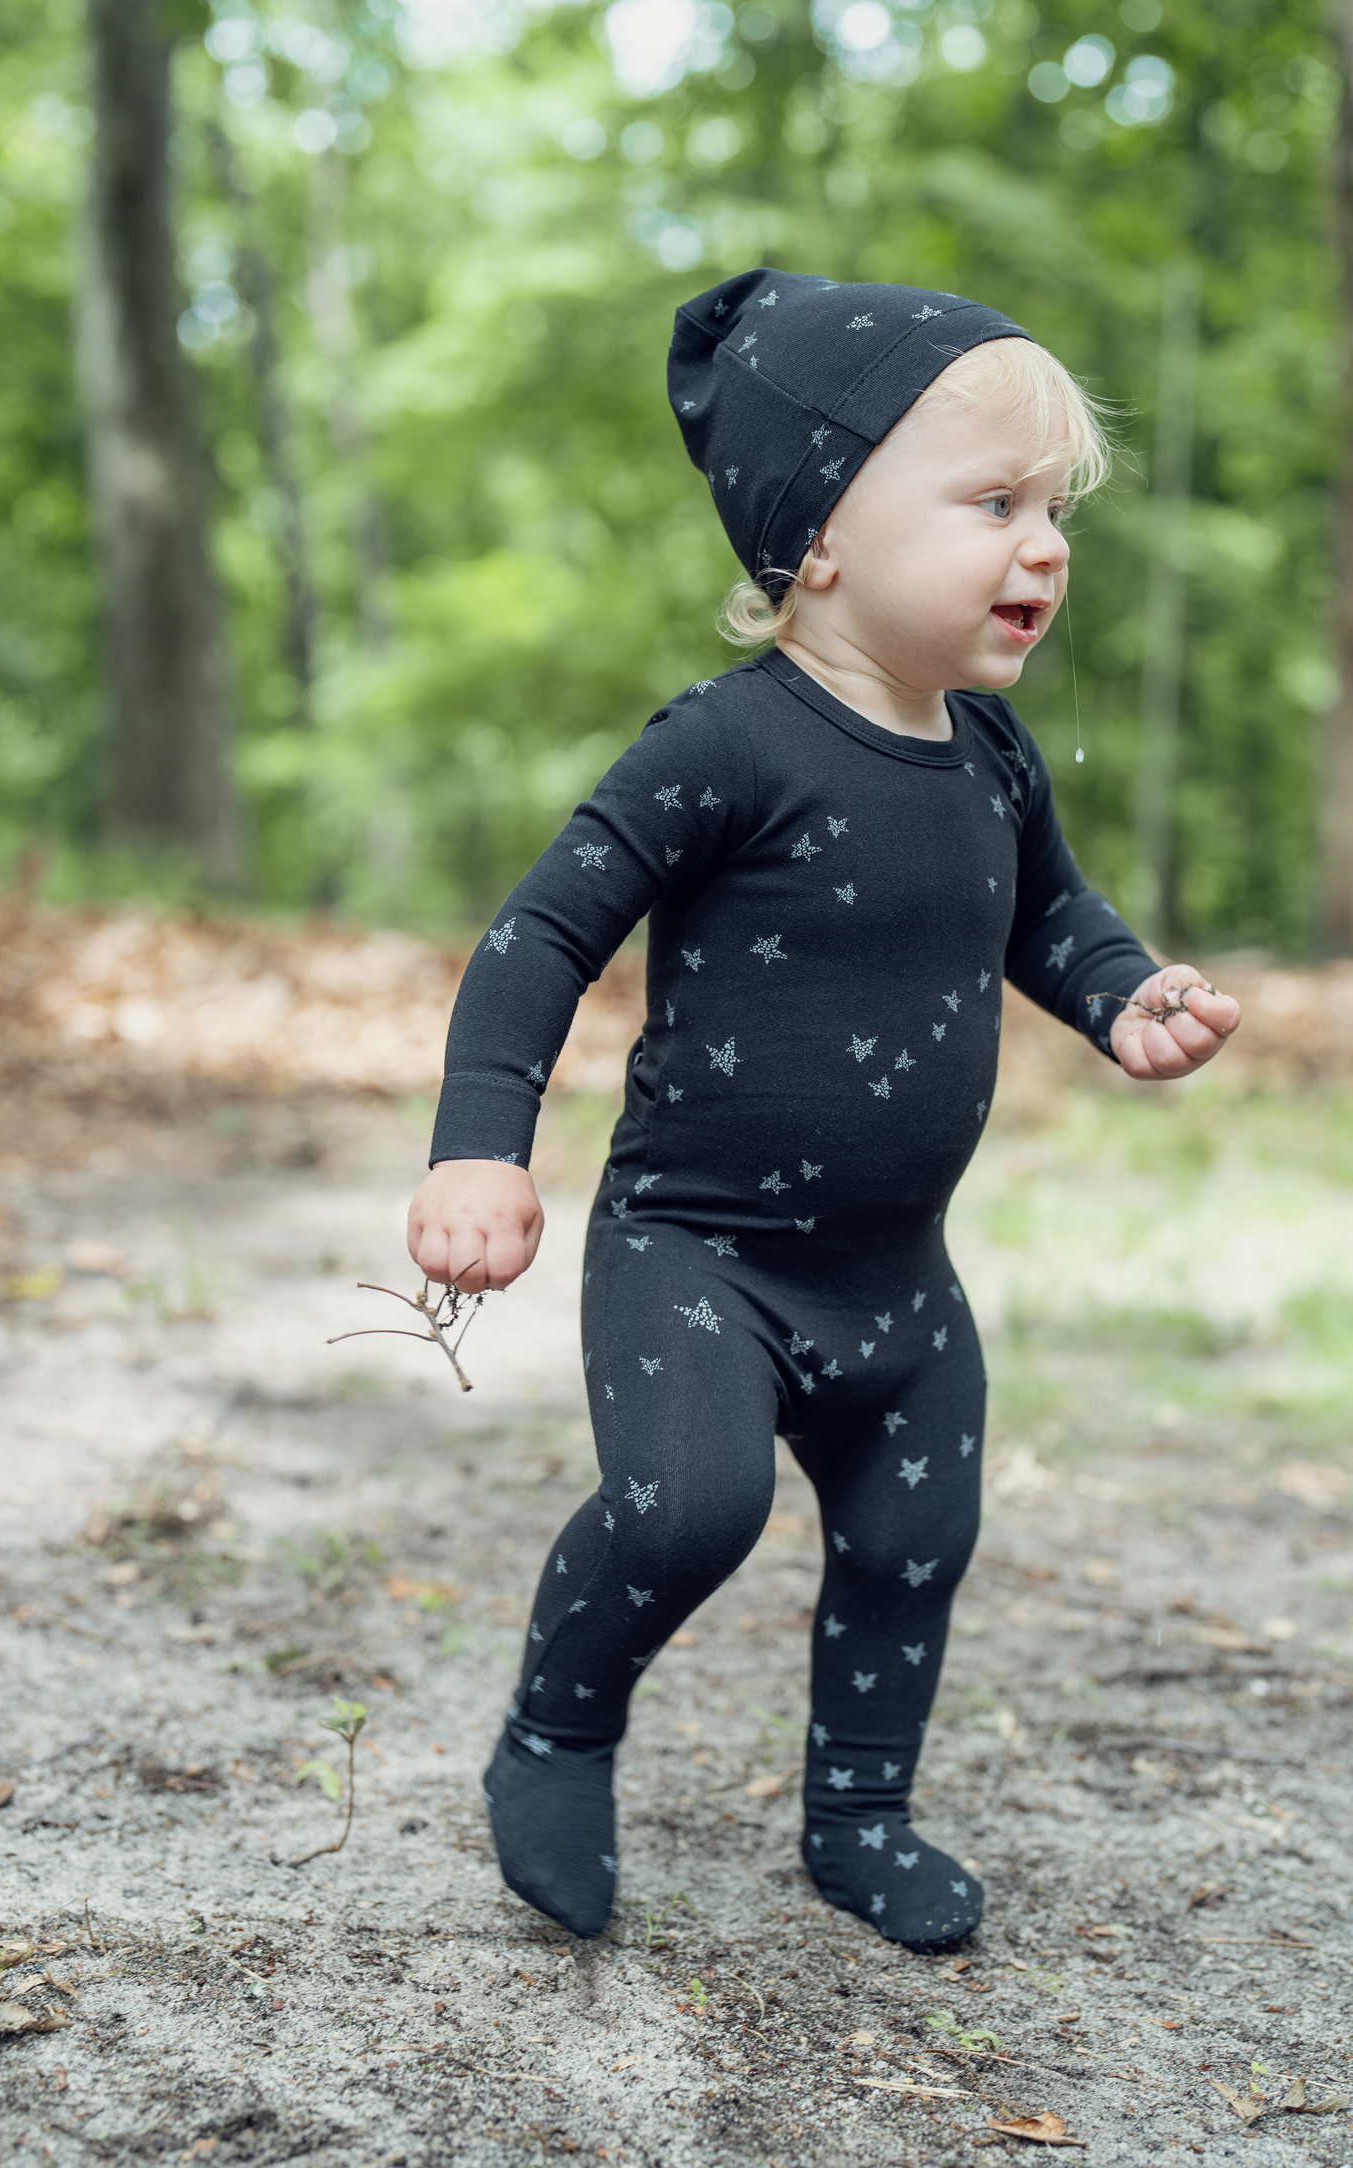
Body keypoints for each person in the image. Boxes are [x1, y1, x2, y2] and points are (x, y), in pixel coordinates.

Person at [405, 270, 1241, 1952]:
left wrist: (1126, 994)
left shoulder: (994, 758)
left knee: (918, 1536)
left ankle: (860, 1813)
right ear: (825, 531)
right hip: (698, 1255)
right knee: (691, 1510)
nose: (1047, 545)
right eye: (997, 503)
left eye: (1055, 509)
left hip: (894, 1278)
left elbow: (1050, 919)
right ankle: (558, 1735)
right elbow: (540, 933)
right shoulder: (722, 746)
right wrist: (483, 1147)